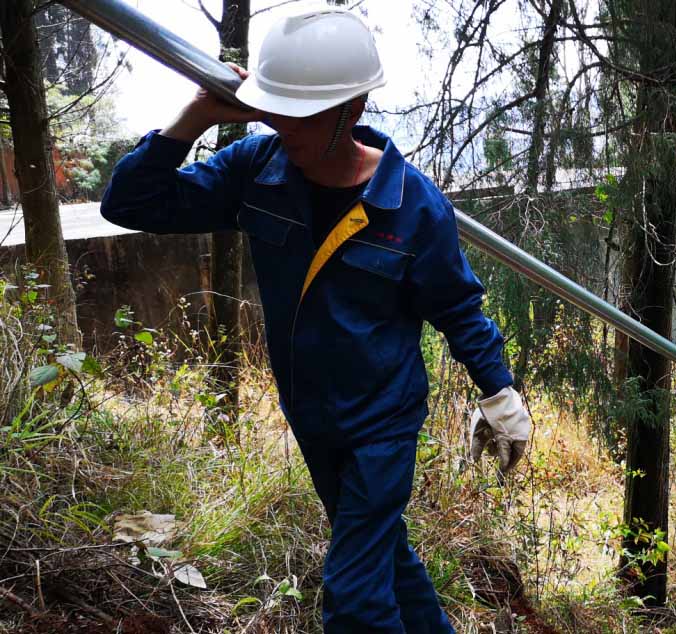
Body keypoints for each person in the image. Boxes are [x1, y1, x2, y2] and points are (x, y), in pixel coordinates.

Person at [100, 9, 529, 633]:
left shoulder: (411, 205)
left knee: (353, 595)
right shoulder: (257, 169)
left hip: (381, 422)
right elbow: (129, 202)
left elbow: (458, 306)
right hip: (310, 414)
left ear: (349, 112)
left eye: (296, 113)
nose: (279, 124)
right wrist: (195, 116)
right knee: (382, 555)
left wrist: (500, 395)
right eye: (272, 106)